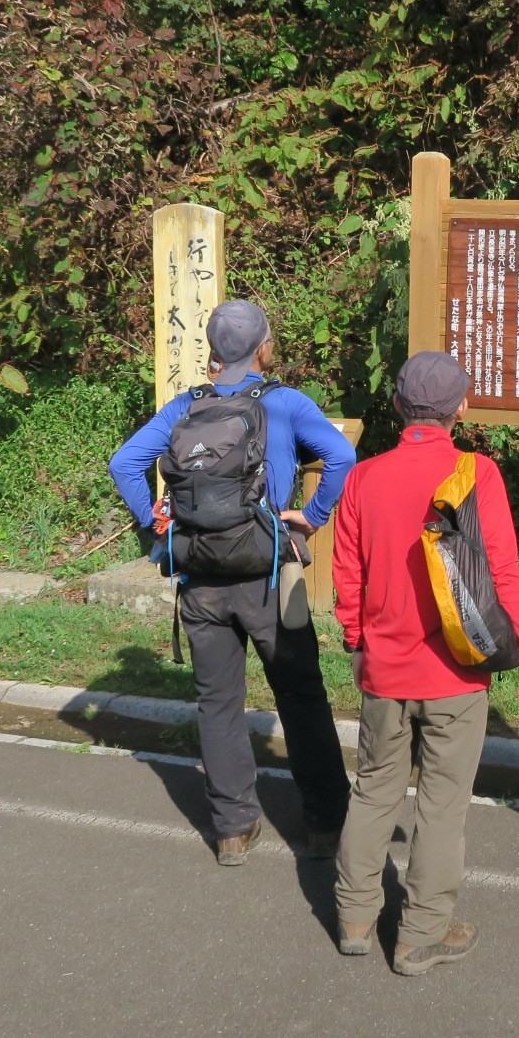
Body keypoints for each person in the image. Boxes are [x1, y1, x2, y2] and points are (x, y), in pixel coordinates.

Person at [109, 300, 357, 864]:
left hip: (201, 575)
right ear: (264, 348)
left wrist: (156, 528)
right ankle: (325, 826)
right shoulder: (285, 403)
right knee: (300, 696)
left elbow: (124, 464)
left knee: (218, 702)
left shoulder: (184, 406)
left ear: (213, 354)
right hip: (270, 575)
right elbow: (342, 456)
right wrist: (313, 517)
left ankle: (231, 829)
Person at [331, 351, 519, 975]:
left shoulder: (364, 478)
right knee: (441, 803)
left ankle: (353, 917)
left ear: (398, 405)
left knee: (373, 790)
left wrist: (356, 641)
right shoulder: (475, 471)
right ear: (460, 407)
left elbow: (348, 574)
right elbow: (502, 570)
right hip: (454, 673)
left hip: (382, 670)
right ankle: (420, 934)